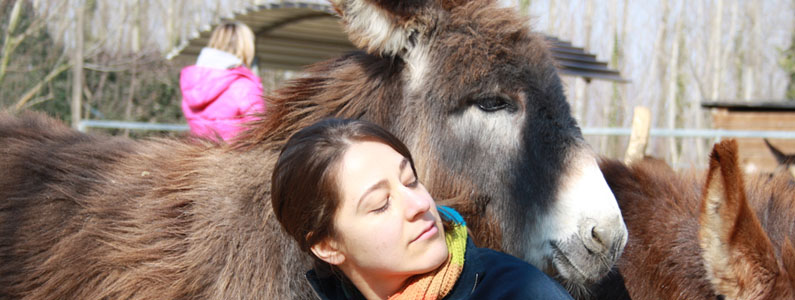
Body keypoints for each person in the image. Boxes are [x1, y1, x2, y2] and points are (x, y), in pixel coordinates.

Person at [271, 119, 574, 300]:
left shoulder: (520, 291)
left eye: (411, 181)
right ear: (327, 245)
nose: (420, 205)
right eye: (380, 205)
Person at [179, 21, 264, 141]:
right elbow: (259, 130)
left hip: (196, 155)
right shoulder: (244, 84)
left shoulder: (194, 82)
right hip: (235, 157)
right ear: (247, 47)